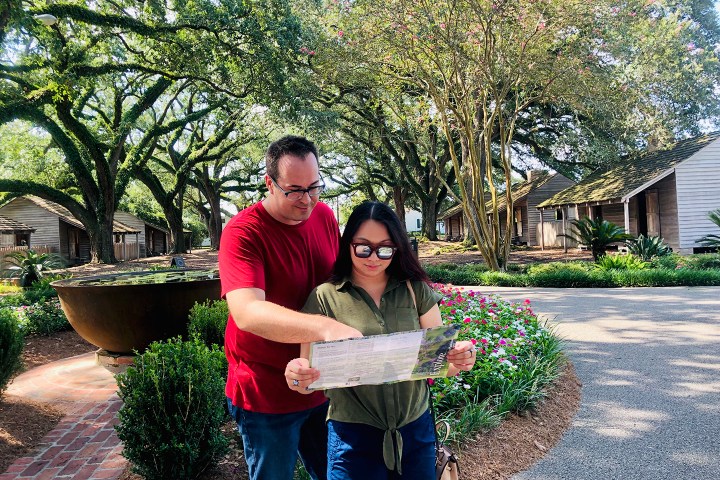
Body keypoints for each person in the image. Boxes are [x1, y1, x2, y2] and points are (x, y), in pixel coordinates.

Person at [284, 201, 477, 479]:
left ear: (397, 248)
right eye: (363, 247)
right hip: (352, 439)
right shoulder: (324, 298)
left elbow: (442, 364)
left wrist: (460, 358)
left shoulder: (415, 290)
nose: (373, 257)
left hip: (415, 432)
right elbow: (306, 379)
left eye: (385, 249)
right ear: (348, 243)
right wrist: (297, 375)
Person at [218, 135, 362, 480]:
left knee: (336, 474)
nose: (307, 199)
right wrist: (324, 327)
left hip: (321, 382)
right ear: (269, 184)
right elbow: (248, 312)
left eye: (314, 187)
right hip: (265, 394)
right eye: (295, 190)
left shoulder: (324, 215)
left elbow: (342, 283)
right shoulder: (243, 232)